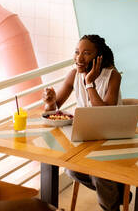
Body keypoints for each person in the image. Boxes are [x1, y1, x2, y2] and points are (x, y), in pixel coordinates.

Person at [42, 34, 126, 211]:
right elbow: (55, 108)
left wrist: (89, 83)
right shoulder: (73, 74)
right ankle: (117, 192)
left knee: (100, 174)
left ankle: (110, 205)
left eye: (86, 53)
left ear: (99, 57)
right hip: (85, 139)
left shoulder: (113, 76)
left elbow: (105, 115)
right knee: (71, 169)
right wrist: (50, 101)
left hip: (111, 141)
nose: (79, 58)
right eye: (77, 52)